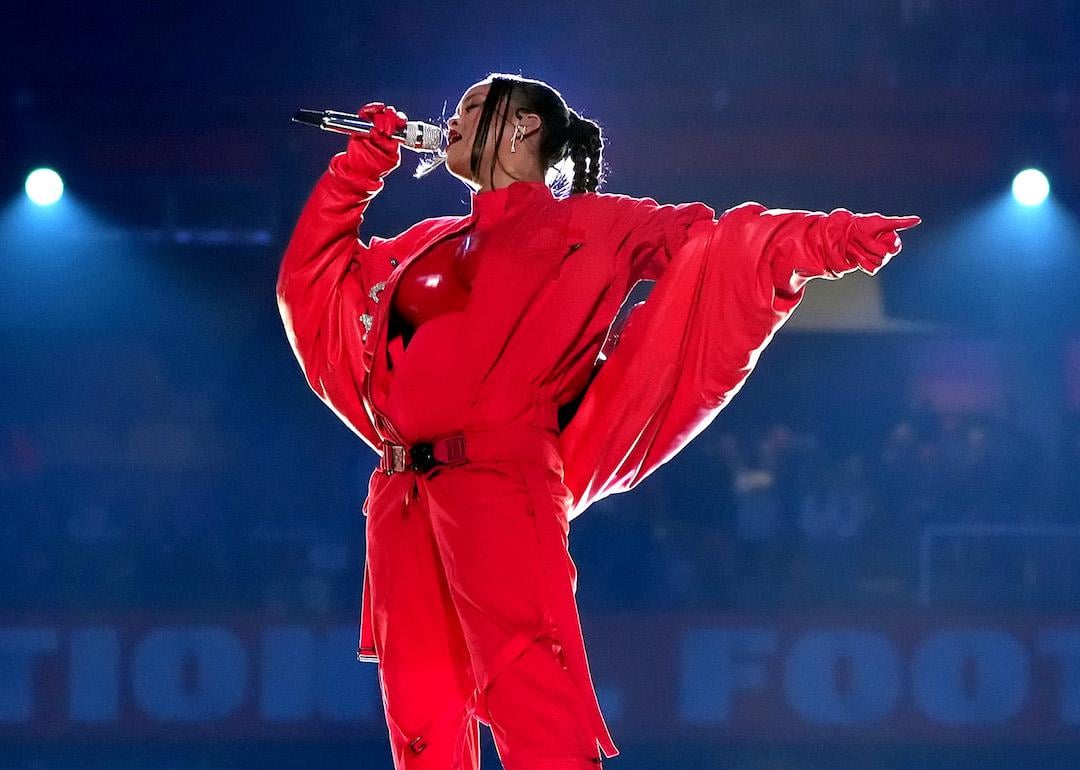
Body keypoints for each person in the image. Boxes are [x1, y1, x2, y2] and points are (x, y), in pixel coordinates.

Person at [277, 72, 920, 770]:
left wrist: (821, 241)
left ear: (522, 128)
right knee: (422, 720)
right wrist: (356, 171)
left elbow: (715, 247)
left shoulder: (592, 226)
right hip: (403, 501)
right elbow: (310, 282)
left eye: (469, 108)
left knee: (532, 695)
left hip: (501, 486)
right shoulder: (424, 243)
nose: (449, 119)